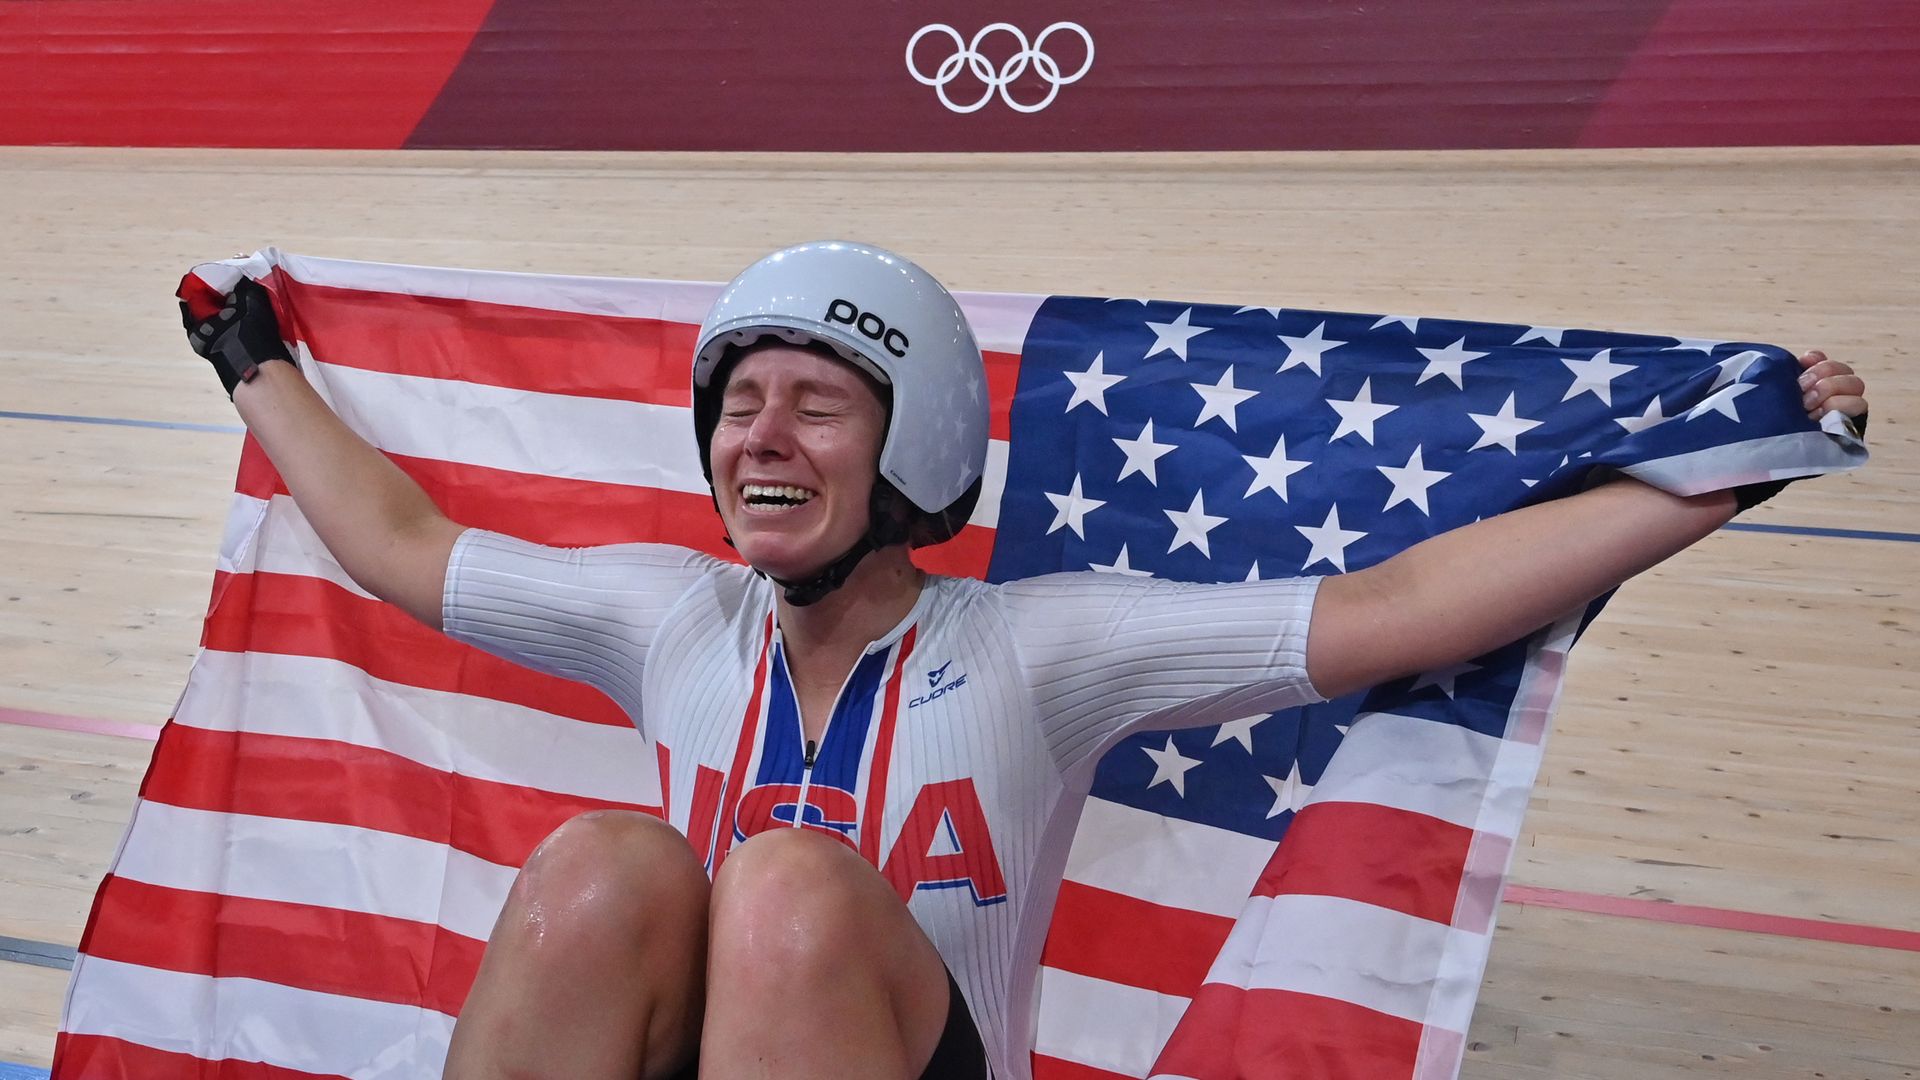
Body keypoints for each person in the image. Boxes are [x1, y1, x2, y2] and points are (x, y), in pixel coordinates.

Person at [181, 241, 1868, 1080]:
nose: (758, 438)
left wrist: (1707, 476)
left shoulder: (1045, 648)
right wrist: (254, 367)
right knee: (597, 869)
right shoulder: (665, 615)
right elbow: (403, 551)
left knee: (782, 889)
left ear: (910, 446)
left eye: (812, 404)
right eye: (735, 407)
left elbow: (1396, 608)